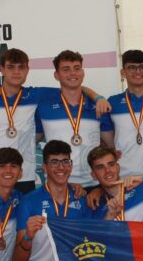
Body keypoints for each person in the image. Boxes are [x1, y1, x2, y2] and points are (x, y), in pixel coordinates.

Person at [0, 48, 108, 197]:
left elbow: (73, 85)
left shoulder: (35, 95)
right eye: (11, 67)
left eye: (21, 67)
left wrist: (98, 98)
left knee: (25, 213)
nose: (16, 72)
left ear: (27, 70)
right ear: (2, 69)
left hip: (24, 177)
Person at [36, 50, 109, 189]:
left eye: (77, 68)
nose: (73, 73)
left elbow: (110, 145)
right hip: (59, 185)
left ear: (83, 72)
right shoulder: (44, 106)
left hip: (94, 184)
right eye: (66, 69)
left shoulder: (99, 106)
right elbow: (32, 140)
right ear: (56, 75)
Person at [101, 49, 143, 177]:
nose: (138, 71)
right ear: (123, 73)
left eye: (142, 67)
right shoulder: (113, 102)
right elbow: (108, 141)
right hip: (123, 174)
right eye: (132, 67)